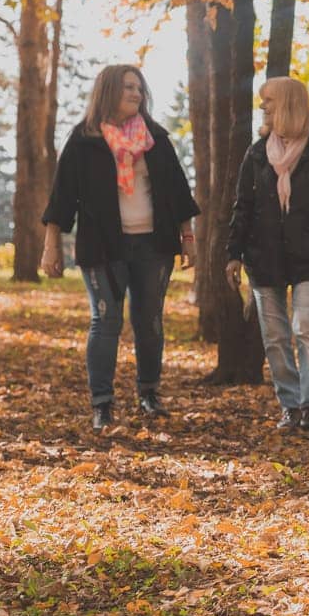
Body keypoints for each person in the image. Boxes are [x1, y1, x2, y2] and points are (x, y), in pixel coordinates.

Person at [42, 65, 199, 432]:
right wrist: (51, 247)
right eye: (128, 87)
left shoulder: (155, 137)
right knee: (105, 320)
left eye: (140, 88)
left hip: (154, 245)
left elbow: (178, 192)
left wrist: (187, 237)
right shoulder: (84, 140)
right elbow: (62, 197)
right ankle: (102, 404)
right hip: (102, 247)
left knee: (149, 322)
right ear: (109, 90)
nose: (136, 94)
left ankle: (149, 394)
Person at [226, 77, 309, 433]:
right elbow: (243, 207)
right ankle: (290, 405)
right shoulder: (257, 152)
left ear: (289, 103)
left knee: (307, 326)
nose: (263, 106)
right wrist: (233, 253)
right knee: (276, 336)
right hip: (263, 258)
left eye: (269, 100)